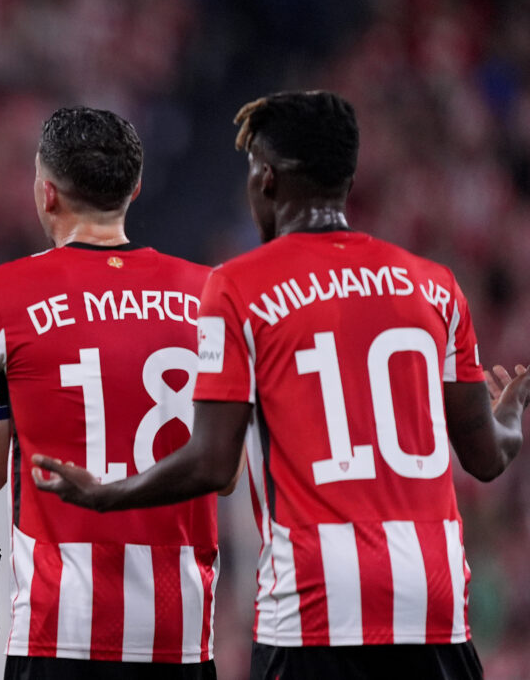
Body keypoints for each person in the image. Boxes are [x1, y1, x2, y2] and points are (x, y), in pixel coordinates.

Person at [32, 91, 530, 680]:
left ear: (267, 179)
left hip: (313, 607)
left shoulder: (238, 287)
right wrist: (511, 418)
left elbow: (214, 464)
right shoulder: (436, 286)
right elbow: (488, 457)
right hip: (433, 602)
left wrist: (108, 494)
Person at [0, 106, 226, 680]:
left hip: (60, 630)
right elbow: (223, 466)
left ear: (46, 193)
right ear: (135, 188)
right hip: (178, 630)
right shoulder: (209, 294)